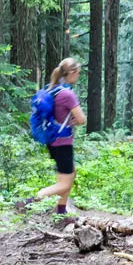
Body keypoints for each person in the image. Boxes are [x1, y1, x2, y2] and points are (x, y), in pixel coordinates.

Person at [18, 58, 87, 216]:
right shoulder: (67, 94)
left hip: (53, 141)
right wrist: (75, 120)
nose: (78, 76)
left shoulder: (52, 89)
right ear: (71, 73)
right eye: (78, 73)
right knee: (64, 184)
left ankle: (61, 212)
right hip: (63, 143)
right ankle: (30, 201)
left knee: (71, 173)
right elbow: (82, 119)